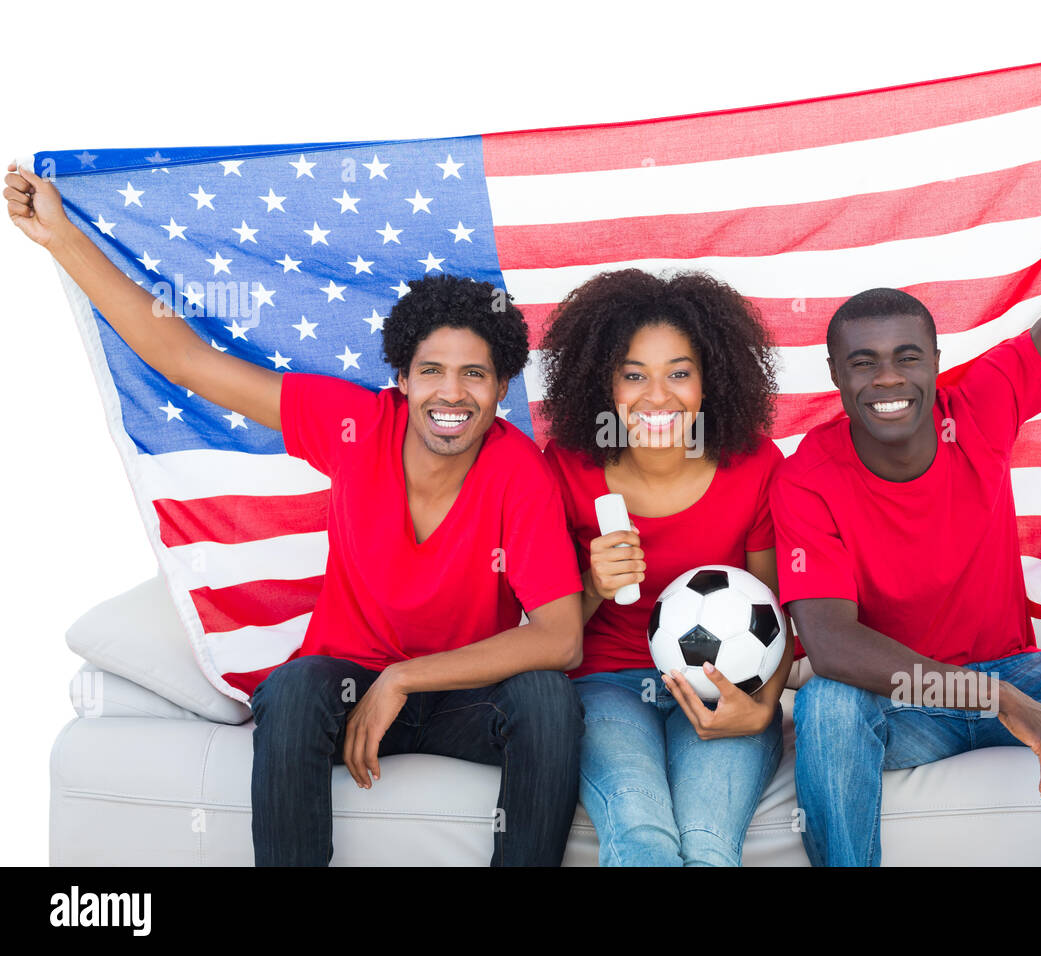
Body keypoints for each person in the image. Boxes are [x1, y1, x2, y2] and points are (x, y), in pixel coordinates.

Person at [5, 168, 586, 866]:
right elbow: (184, 359)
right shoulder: (354, 426)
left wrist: (403, 679)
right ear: (401, 380)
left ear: (499, 388)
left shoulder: (519, 470)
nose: (451, 393)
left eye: (475, 374)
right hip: (341, 691)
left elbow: (559, 640)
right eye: (432, 371)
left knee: (550, 702)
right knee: (292, 687)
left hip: (458, 697)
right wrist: (62, 239)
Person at [771, 49, 1041, 866]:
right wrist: (991, 698)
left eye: (907, 356)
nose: (888, 378)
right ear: (835, 376)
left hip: (1014, 670)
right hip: (906, 701)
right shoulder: (807, 476)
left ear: (936, 363)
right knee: (829, 703)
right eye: (863, 363)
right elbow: (830, 646)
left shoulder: (980, 403)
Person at [539, 268, 796, 866]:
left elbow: (779, 618)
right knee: (641, 831)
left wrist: (759, 708)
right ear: (603, 384)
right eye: (634, 376)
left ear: (711, 380)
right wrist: (595, 585)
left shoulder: (754, 465)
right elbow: (547, 629)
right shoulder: (566, 467)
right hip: (604, 685)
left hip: (721, 688)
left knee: (707, 844)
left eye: (679, 373)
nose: (658, 396)